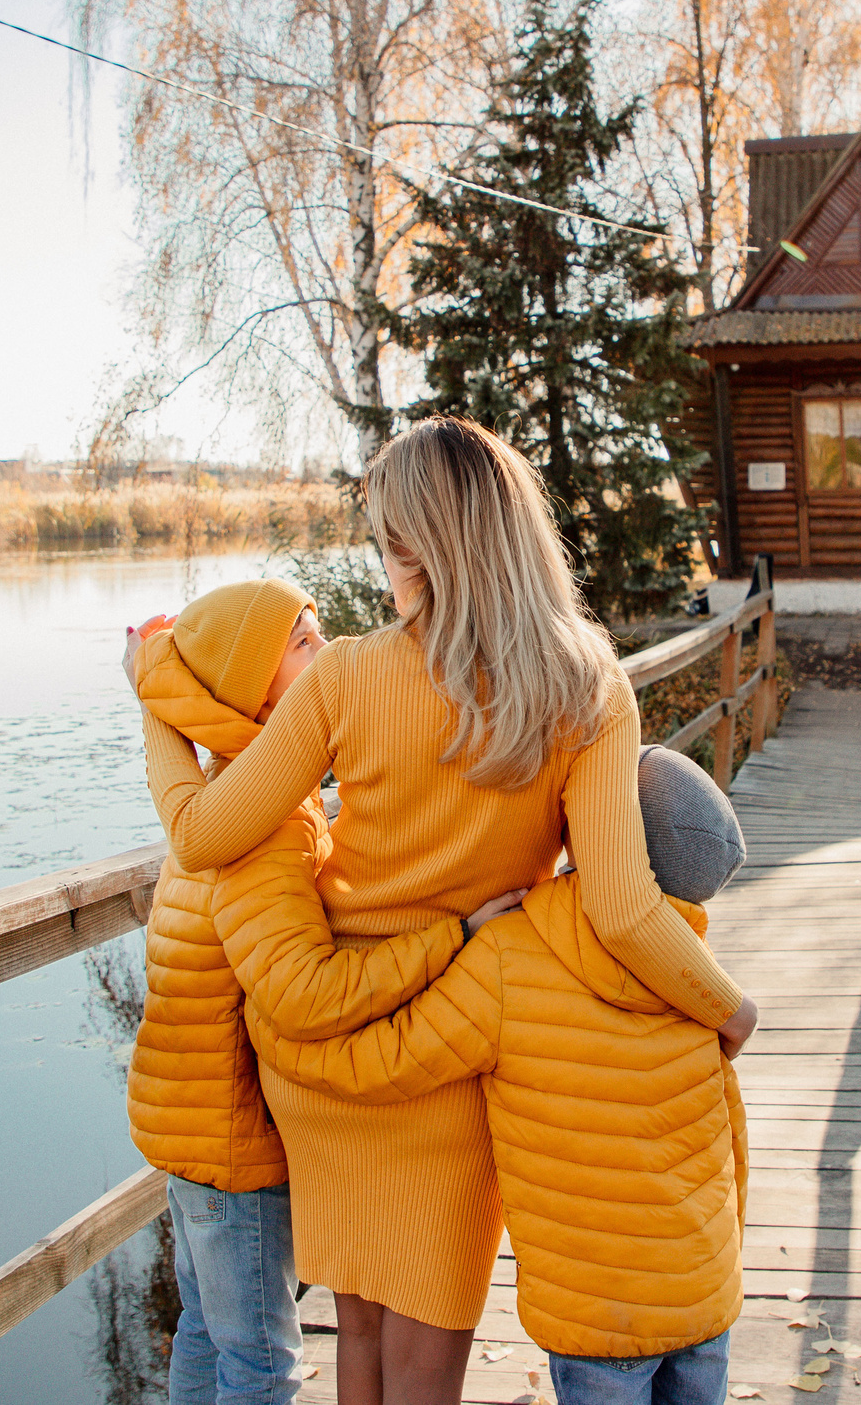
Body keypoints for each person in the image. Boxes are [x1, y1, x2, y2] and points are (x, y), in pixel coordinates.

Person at [125, 418, 757, 1405]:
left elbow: (202, 834)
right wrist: (726, 1006)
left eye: (384, 542)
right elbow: (625, 911)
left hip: (324, 1053)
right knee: (424, 1361)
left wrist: (154, 695)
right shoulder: (584, 681)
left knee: (363, 1341)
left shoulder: (345, 673)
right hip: (455, 1047)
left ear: (413, 548)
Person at [247, 744, 752, 1405]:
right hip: (704, 1292)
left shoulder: (513, 954)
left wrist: (288, 1043)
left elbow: (392, 1060)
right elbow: (734, 1144)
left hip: (596, 1314)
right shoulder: (696, 982)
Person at [121, 577, 524, 1405]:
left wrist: (153, 685)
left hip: (190, 1132)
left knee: (205, 1330)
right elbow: (306, 988)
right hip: (237, 1147)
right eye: (302, 642)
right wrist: (453, 935)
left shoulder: (227, 799)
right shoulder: (264, 826)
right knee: (263, 1359)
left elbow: (189, 801)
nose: (330, 649)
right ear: (255, 691)